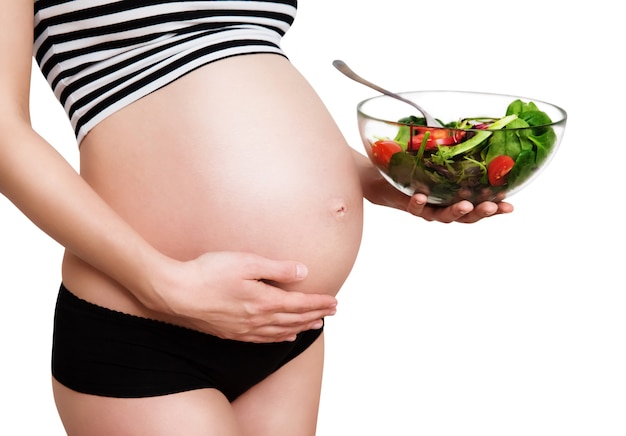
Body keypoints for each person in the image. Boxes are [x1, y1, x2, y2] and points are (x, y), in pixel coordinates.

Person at [1, 1, 513, 435]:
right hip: (145, 316)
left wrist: (387, 177)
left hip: (285, 330)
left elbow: (240, 78)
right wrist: (162, 282)